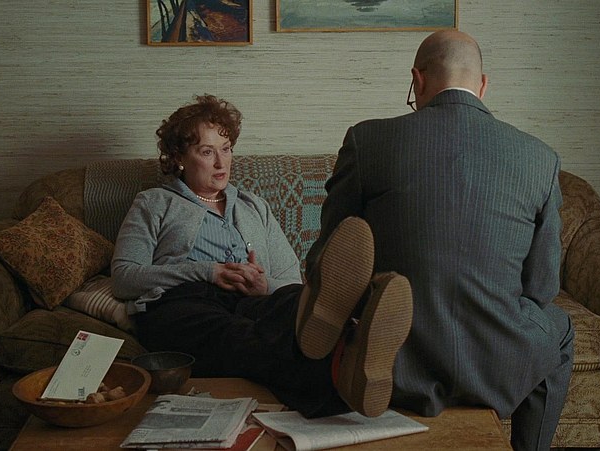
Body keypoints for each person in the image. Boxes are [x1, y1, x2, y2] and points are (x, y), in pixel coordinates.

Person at [305, 31, 575, 450]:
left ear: (417, 79)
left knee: (339, 295)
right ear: (483, 85)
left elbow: (328, 256)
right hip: (495, 366)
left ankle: (355, 359)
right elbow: (540, 287)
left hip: (398, 357)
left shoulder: (368, 140)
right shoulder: (540, 158)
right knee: (560, 328)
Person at [110, 94, 413, 419]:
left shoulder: (253, 206)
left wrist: (264, 286)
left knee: (295, 301)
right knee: (240, 335)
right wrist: (208, 271)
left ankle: (356, 331)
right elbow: (124, 278)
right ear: (178, 157)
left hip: (251, 299)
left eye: (226, 149)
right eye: (207, 152)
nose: (221, 163)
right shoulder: (154, 202)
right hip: (182, 303)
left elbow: (291, 279)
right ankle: (345, 368)